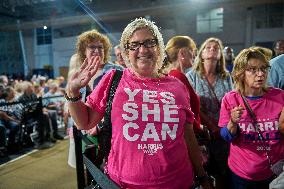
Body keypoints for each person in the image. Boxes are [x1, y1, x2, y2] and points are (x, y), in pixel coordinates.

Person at [66, 18, 211, 189]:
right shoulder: (114, 79)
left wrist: (202, 176)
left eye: (149, 42)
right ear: (127, 52)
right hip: (122, 184)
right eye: (134, 45)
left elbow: (188, 136)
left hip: (178, 182)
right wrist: (72, 92)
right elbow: (85, 122)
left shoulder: (177, 86)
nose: (142, 50)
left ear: (159, 47)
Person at [218, 48, 284, 189]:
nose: (260, 74)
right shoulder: (230, 99)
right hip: (242, 174)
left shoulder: (279, 96)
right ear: (241, 73)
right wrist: (232, 122)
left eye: (263, 68)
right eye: (252, 70)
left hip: (274, 172)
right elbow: (225, 137)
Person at [186, 37, 233, 189]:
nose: (212, 49)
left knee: (222, 172)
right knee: (203, 171)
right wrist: (212, 126)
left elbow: (231, 102)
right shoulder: (192, 76)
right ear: (201, 54)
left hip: (223, 134)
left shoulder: (226, 77)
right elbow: (190, 106)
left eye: (216, 47)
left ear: (220, 55)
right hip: (202, 133)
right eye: (208, 47)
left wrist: (225, 127)